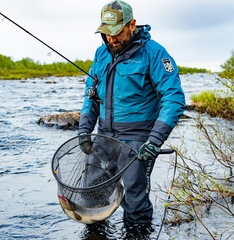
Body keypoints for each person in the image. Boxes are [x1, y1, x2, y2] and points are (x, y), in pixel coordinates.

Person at [78, 0, 186, 226]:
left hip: (138, 141)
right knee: (92, 192)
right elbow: (90, 96)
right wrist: (84, 130)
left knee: (135, 200)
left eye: (116, 32)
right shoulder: (101, 53)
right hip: (104, 136)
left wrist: (155, 140)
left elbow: (173, 98)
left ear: (132, 25)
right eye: (106, 33)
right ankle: (97, 231)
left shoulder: (155, 53)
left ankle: (137, 231)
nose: (111, 39)